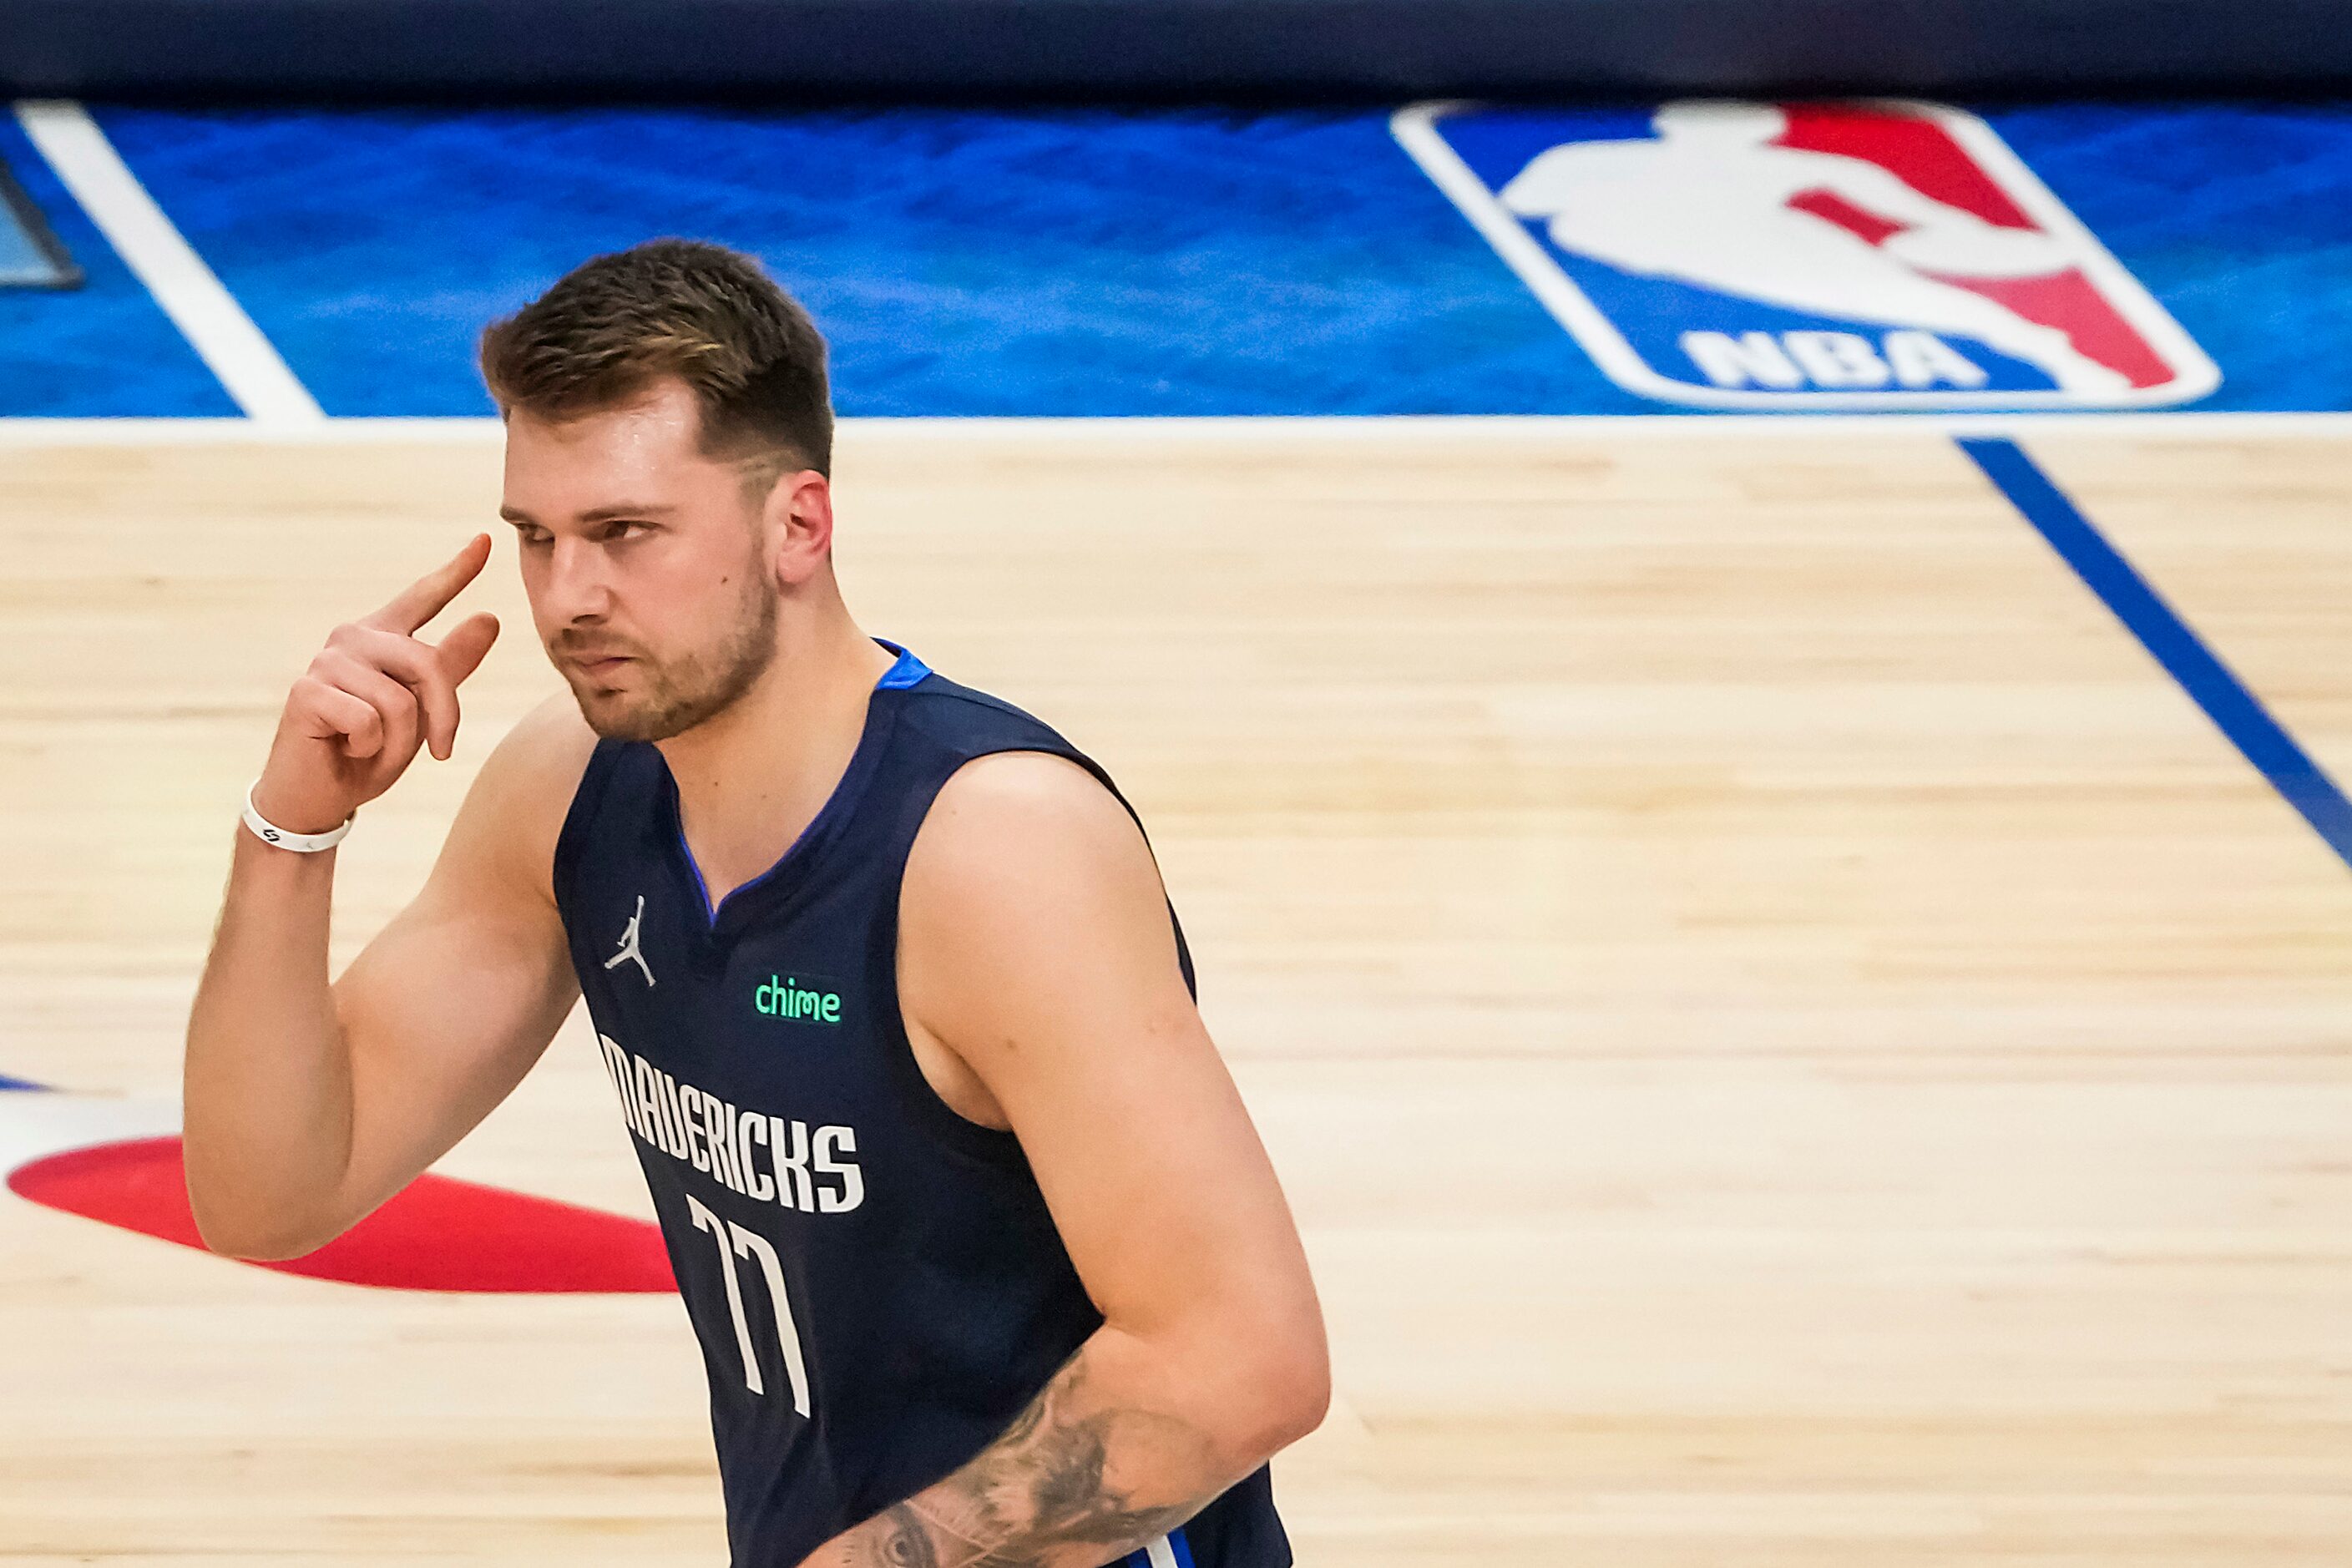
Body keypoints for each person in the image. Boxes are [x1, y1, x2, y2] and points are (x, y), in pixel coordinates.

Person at [182, 239, 1328, 1568]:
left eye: (625, 535)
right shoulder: (575, 789)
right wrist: (291, 827)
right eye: (538, 540)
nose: (569, 599)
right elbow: (269, 1191)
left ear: (799, 522)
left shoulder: (993, 849)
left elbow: (1244, 1359)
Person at [1498, 99, 2132, 395]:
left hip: (1777, 247)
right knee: (1930, 305)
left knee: (1937, 306)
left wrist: (1957, 232)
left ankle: (2069, 359)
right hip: (1701, 256)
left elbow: (1874, 189)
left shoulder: (1785, 168)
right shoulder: (1590, 158)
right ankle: (2060, 355)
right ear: (1667, 125)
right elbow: (1527, 206)